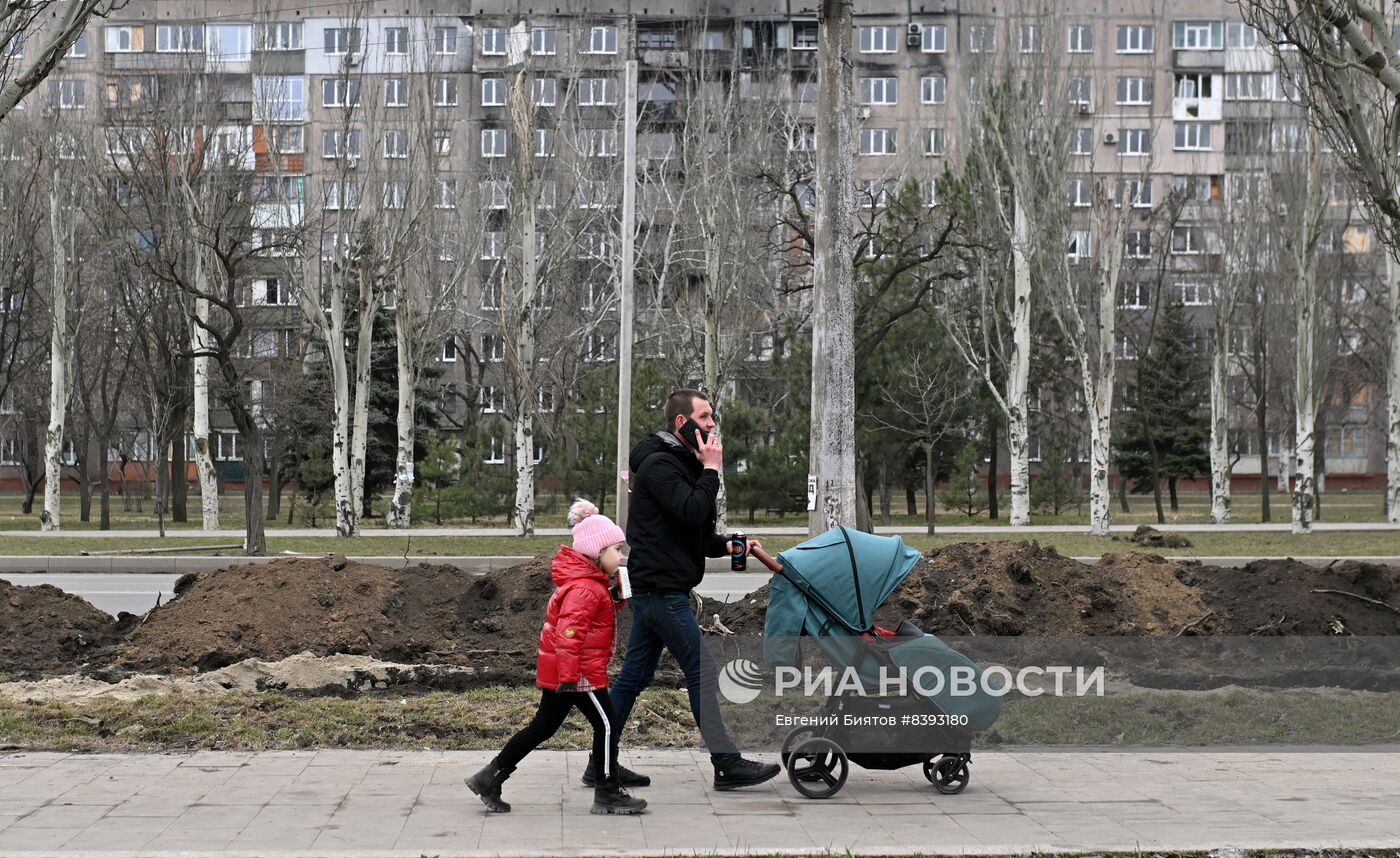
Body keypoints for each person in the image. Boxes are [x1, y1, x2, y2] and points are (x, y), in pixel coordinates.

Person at [595, 389, 781, 792]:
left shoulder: (680, 463)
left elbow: (691, 532)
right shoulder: (661, 465)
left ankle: (599, 762)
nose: (712, 424)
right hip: (661, 590)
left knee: (632, 678)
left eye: (712, 416)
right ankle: (727, 763)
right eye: (706, 416)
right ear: (683, 422)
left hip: (656, 588)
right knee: (702, 670)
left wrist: (729, 544)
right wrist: (712, 470)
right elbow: (692, 509)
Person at [466, 500, 647, 815]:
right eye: (616, 549)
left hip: (569, 670)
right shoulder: (586, 589)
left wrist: (616, 595)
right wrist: (570, 676)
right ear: (596, 552)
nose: (621, 556)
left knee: (544, 726)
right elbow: (569, 634)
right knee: (607, 723)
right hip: (578, 673)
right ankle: (606, 791)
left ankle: (489, 777)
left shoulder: (591, 585)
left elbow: (594, 622)